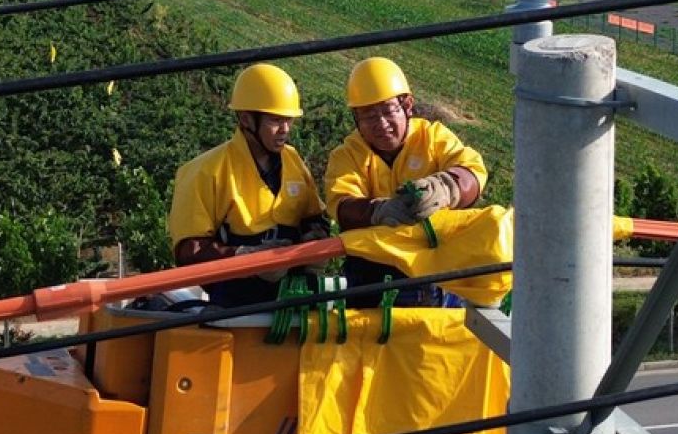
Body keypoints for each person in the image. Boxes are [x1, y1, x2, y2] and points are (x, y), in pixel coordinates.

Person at [325, 57, 486, 306]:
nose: (381, 124)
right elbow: (341, 205)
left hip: (436, 275)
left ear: (407, 105)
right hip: (371, 279)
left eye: (388, 110)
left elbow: (472, 171)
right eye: (368, 115)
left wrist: (446, 187)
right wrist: (378, 211)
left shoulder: (433, 138)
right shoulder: (347, 156)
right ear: (356, 118)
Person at [168, 63, 329, 308]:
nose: (285, 130)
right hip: (234, 302)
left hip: (294, 298)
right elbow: (189, 251)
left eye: (289, 121)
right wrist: (242, 257)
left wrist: (315, 238)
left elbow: (314, 217)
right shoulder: (206, 170)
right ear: (246, 119)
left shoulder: (293, 160)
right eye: (276, 120)